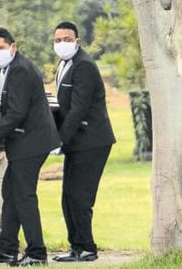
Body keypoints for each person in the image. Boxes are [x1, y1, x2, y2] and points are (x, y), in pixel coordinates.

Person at [0, 28, 60, 266]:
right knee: (10, 193)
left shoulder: (20, 70)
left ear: (13, 47)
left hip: (31, 142)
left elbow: (16, 113)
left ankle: (36, 253)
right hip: (26, 142)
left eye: (0, 48)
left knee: (23, 196)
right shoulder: (12, 69)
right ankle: (7, 249)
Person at [51, 22, 115, 262]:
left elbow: (78, 109)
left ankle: (87, 247)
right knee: (68, 196)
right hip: (76, 141)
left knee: (80, 196)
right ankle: (76, 247)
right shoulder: (64, 64)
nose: (61, 44)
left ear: (77, 41)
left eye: (67, 39)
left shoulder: (84, 66)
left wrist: (59, 140)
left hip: (92, 141)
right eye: (57, 40)